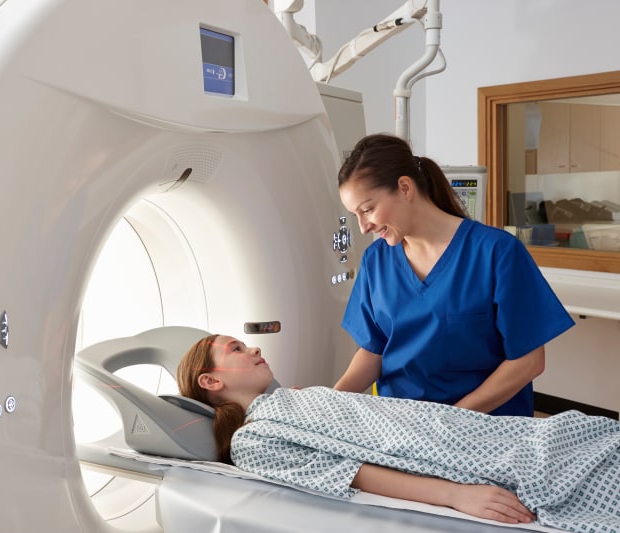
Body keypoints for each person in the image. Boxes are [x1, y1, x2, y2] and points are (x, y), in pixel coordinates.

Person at [177, 333, 620, 533]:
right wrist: (456, 495)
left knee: (587, 435)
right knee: (577, 471)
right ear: (211, 382)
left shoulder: (297, 396)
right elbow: (353, 473)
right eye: (236, 348)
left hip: (466, 428)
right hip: (464, 461)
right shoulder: (252, 440)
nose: (253, 347)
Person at [334, 133, 575, 416]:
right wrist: (329, 401)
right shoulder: (376, 261)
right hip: (401, 424)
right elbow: (373, 351)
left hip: (482, 425)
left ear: (404, 187)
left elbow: (529, 361)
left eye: (368, 209)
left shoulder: (496, 252)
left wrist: (451, 420)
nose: (363, 227)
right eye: (356, 215)